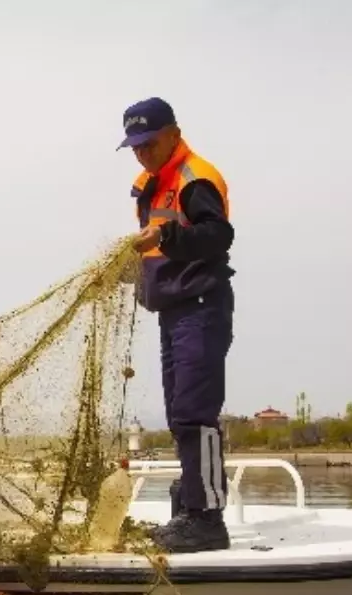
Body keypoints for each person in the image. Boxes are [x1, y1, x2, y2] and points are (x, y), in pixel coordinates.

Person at [117, 97, 236, 553]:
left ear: (173, 133)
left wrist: (167, 234)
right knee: (178, 413)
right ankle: (189, 503)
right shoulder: (152, 184)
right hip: (173, 310)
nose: (142, 152)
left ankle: (207, 519)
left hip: (200, 306)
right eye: (135, 146)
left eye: (149, 142)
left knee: (195, 412)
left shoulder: (194, 178)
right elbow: (157, 255)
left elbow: (218, 235)